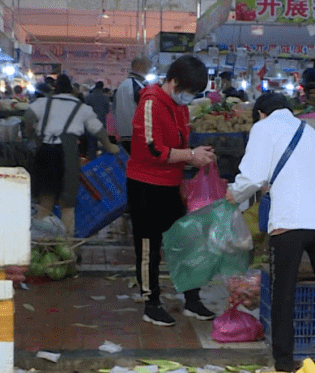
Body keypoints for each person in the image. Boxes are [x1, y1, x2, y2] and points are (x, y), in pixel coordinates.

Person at [225, 93, 315, 373]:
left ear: (261, 113)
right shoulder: (310, 132)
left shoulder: (263, 127)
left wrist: (233, 193)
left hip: (289, 222)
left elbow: (252, 177)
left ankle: (284, 367)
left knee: (283, 296)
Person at [125, 55, 217, 327]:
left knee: (186, 241)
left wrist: (187, 168)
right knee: (148, 246)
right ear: (174, 82)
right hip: (145, 184)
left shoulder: (179, 107)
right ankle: (151, 302)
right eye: (189, 91)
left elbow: (178, 143)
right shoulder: (151, 101)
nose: (189, 98)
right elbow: (152, 149)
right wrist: (190, 155)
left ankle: (192, 298)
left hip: (171, 183)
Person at [25, 74, 119, 236]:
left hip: (45, 150)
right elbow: (98, 130)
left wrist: (31, 135)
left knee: (46, 197)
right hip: (68, 151)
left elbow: (27, 117)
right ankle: (67, 243)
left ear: (55, 89)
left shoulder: (43, 102)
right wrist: (110, 146)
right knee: (67, 202)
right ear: (72, 91)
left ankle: (40, 240)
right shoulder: (80, 107)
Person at [114, 56, 152, 154]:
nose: (150, 68)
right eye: (148, 66)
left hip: (124, 134)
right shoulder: (138, 86)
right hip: (137, 135)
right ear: (139, 66)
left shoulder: (122, 85)